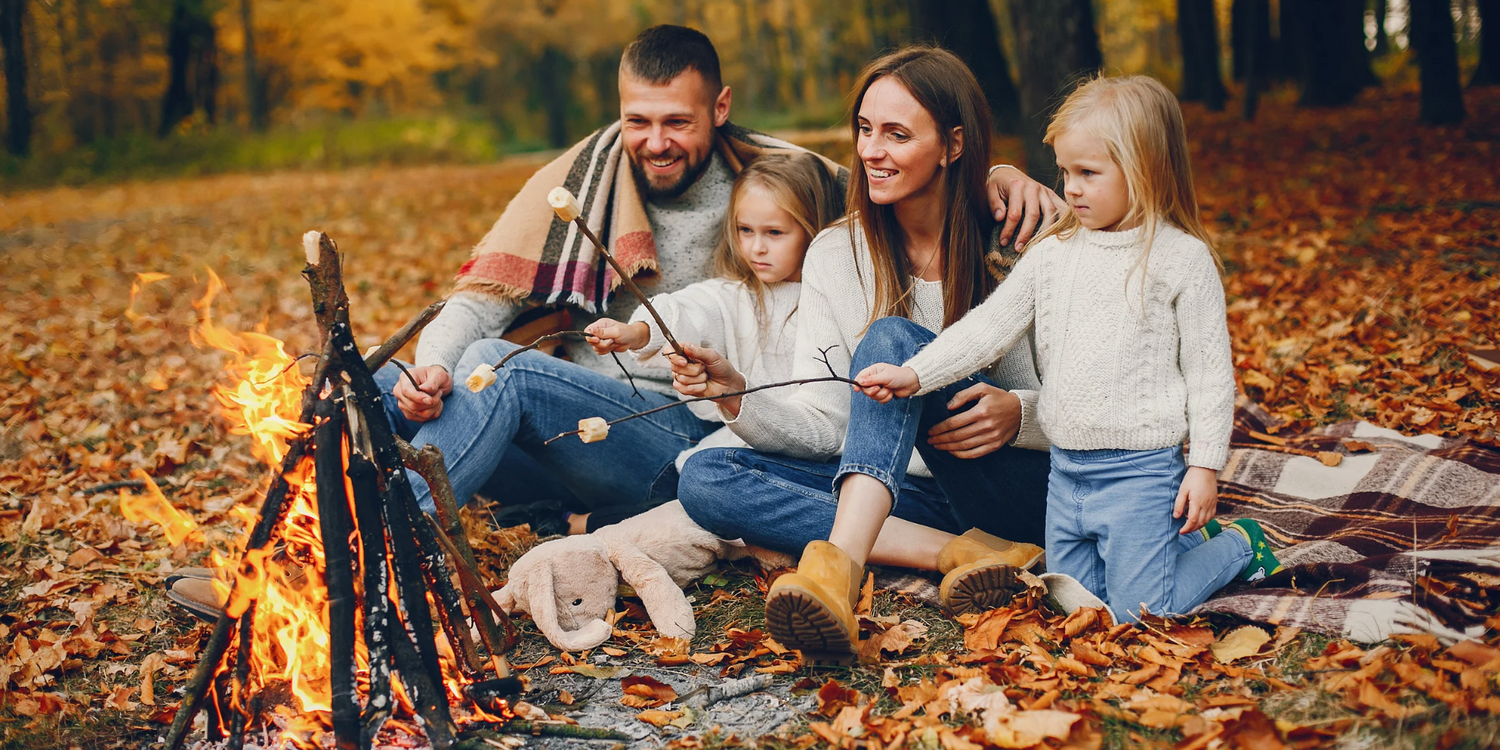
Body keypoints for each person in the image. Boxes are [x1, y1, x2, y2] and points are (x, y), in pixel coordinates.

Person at [375, 27, 1061, 536]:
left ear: (721, 108)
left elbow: (902, 191)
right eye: (637, 121)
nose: (655, 141)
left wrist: (995, 182)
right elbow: (479, 301)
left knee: (502, 369)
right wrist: (430, 368)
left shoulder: (786, 179)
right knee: (388, 384)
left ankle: (395, 543)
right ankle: (352, 550)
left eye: (678, 121)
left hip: (677, 428)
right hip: (576, 433)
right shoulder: (578, 182)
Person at [673, 47, 1061, 661]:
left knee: (889, 340)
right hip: (905, 496)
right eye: (864, 129)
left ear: (953, 144)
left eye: (897, 134)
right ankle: (961, 553)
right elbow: (829, 424)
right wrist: (736, 396)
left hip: (1015, 481)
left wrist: (1021, 414)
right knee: (706, 477)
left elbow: (1102, 397)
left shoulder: (1020, 233)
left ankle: (840, 571)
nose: (871, 152)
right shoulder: (837, 253)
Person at [854, 75, 1283, 625]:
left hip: (1140, 473)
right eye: (1064, 172)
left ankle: (1240, 546)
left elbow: (1210, 376)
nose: (1070, 189)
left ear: (1144, 171)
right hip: (1067, 473)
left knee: (1141, 612)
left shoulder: (1180, 261)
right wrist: (915, 375)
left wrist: (1204, 466)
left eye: (1088, 174)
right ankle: (1167, 556)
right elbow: (988, 328)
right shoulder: (1055, 253)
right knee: (1072, 604)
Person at [585, 152, 840, 478]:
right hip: (744, 445)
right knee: (694, 475)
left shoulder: (833, 300)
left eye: (774, 233)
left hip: (819, 455)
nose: (756, 248)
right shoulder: (736, 294)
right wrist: (638, 331)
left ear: (813, 229)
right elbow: (690, 308)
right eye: (745, 230)